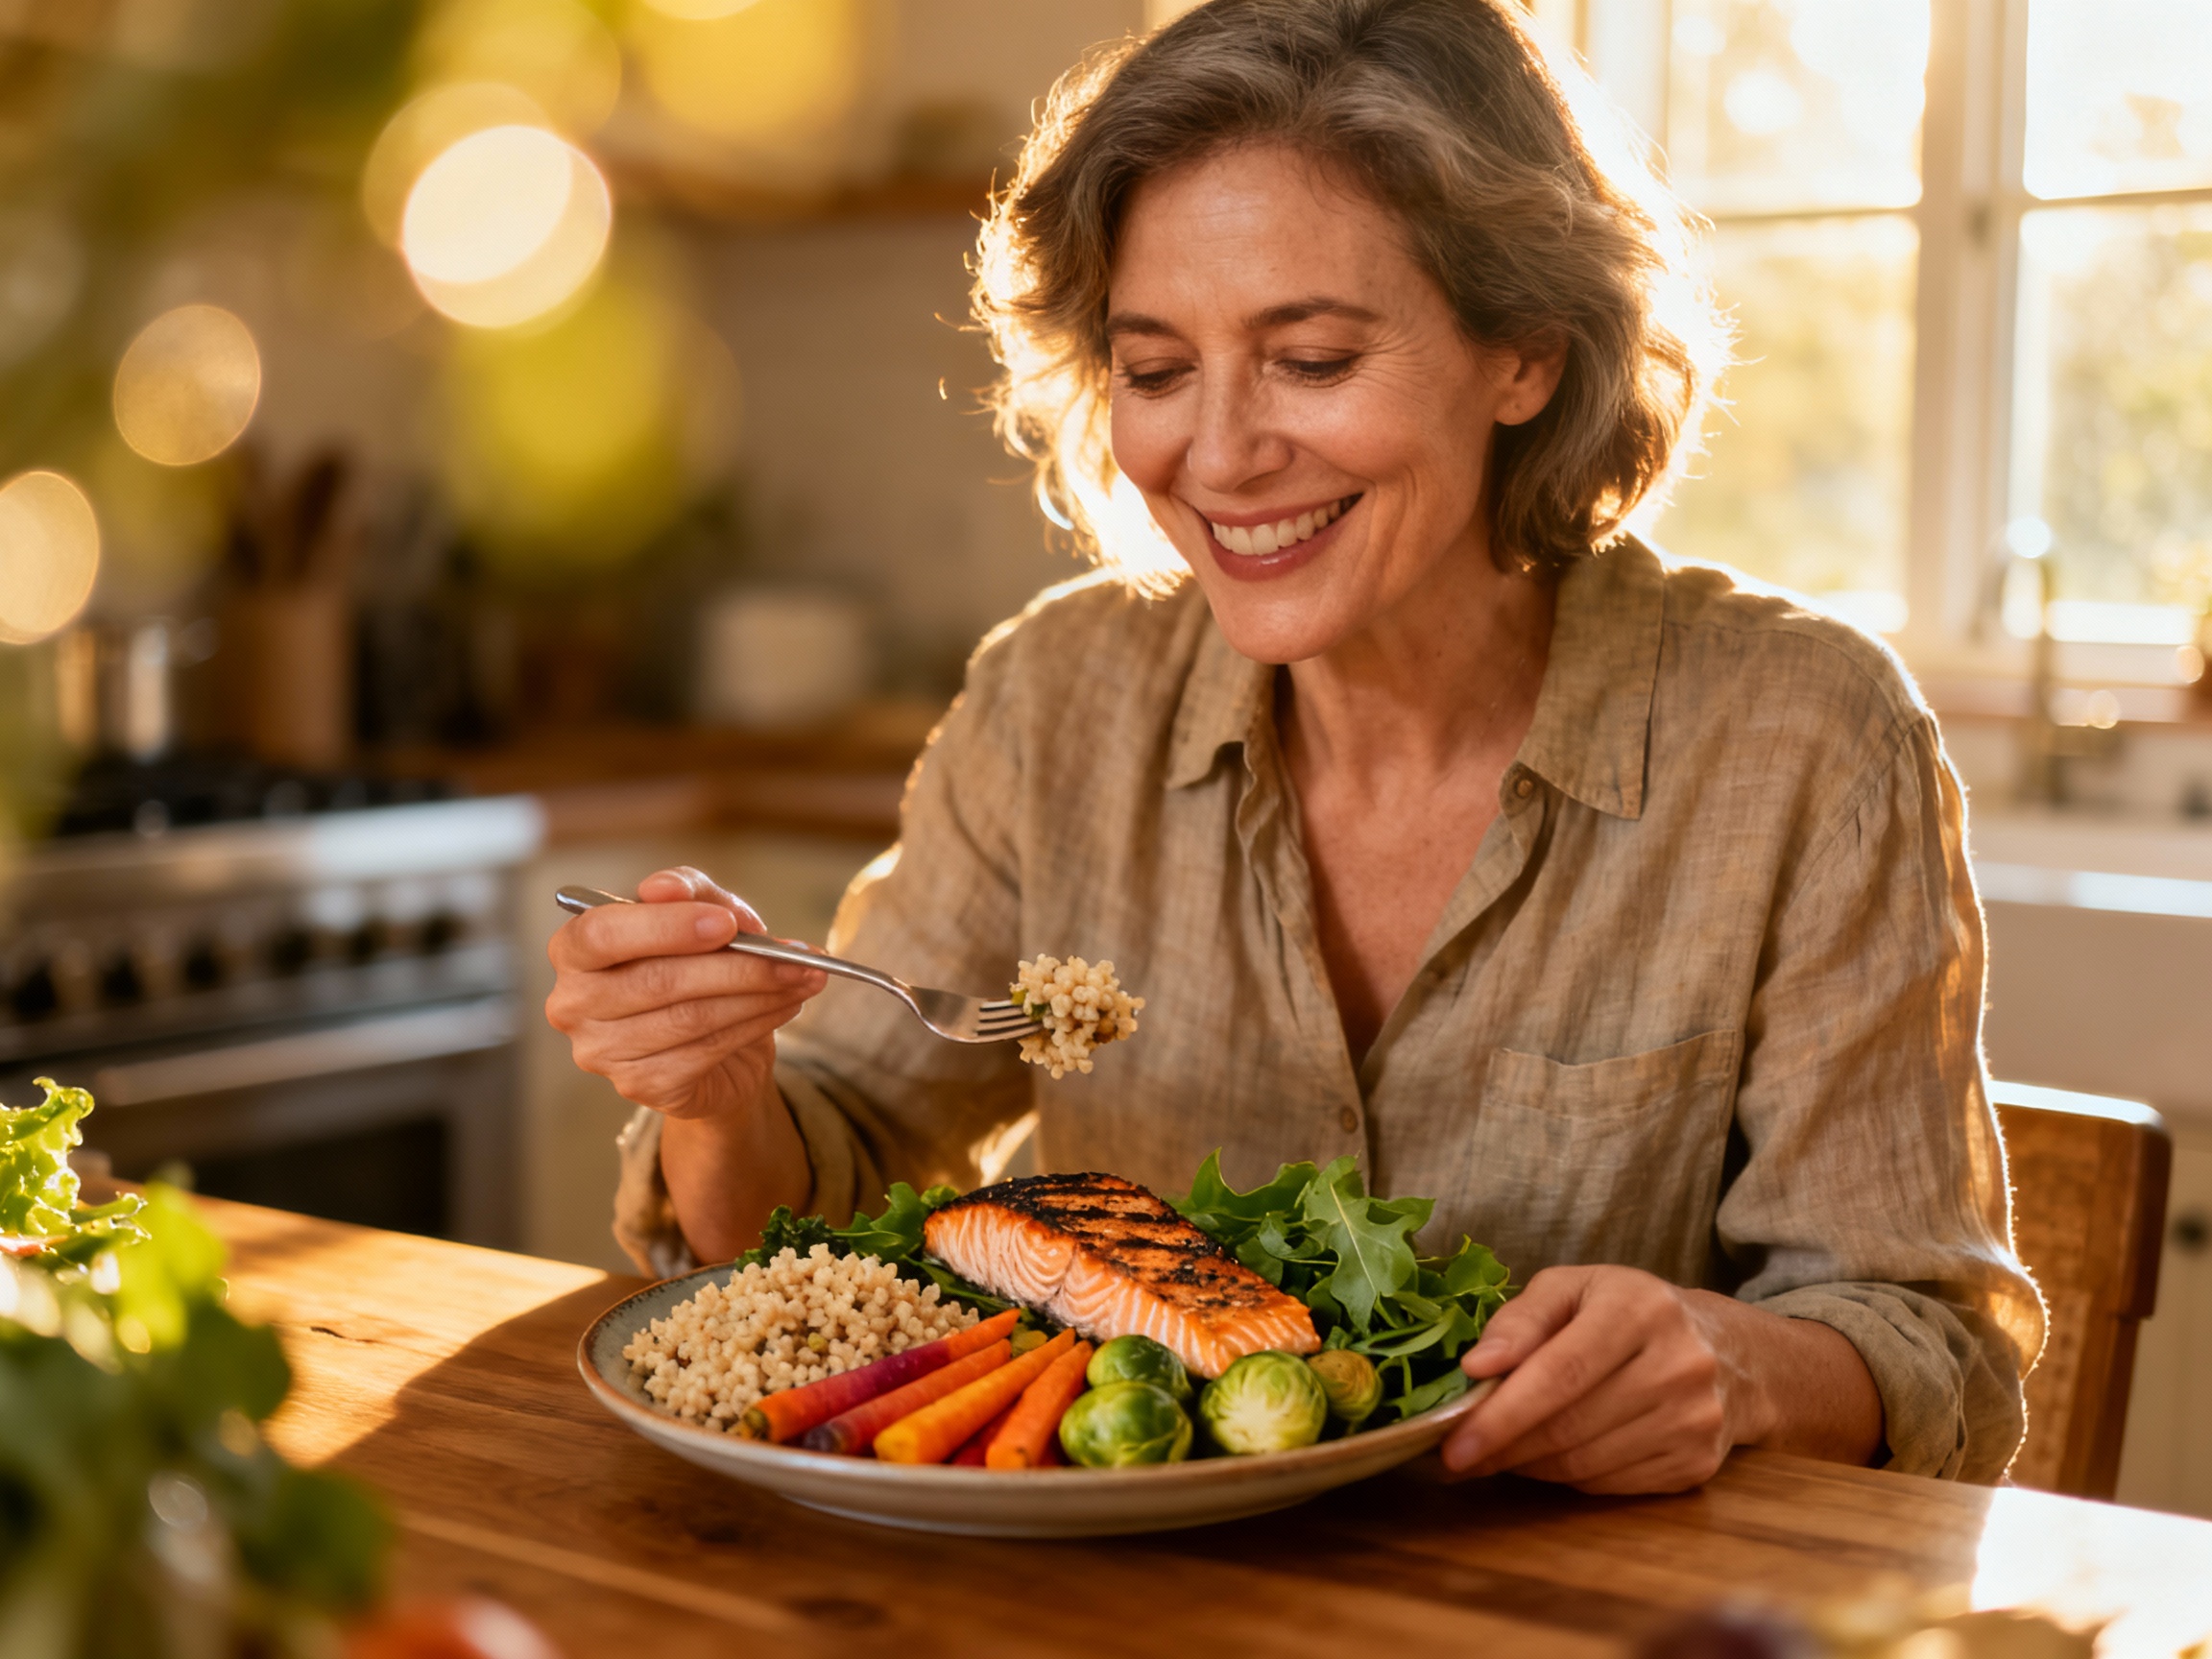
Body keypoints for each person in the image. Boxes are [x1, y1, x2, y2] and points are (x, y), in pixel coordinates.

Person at [546, 0, 2042, 1492]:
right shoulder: (1057, 701)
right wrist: (718, 1094)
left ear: (1523, 352)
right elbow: (827, 1189)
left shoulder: (1800, 740)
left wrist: (1735, 1366)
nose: (1220, 452)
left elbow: (1929, 1342)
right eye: (1154, 369)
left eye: (1312, 359)